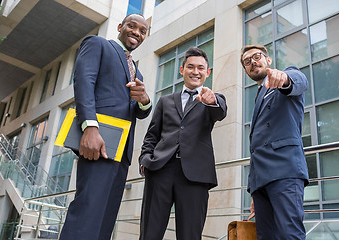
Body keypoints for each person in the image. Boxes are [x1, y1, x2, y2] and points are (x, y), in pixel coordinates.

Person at [59, 14, 152, 240]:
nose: (137, 33)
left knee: (106, 217)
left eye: (142, 31)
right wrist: (90, 127)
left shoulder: (136, 72)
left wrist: (144, 100)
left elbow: (138, 112)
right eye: (132, 26)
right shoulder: (98, 44)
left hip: (121, 152)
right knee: (88, 210)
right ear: (120, 27)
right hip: (98, 141)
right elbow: (84, 82)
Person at [138, 47, 227, 240]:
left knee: (190, 235)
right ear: (182, 70)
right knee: (149, 233)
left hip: (195, 176)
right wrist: (145, 159)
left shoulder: (212, 100)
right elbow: (152, 135)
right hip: (160, 169)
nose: (195, 72)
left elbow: (220, 111)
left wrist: (211, 100)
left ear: (207, 72)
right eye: (191, 67)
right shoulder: (165, 101)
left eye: (201, 68)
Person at [241, 44, 309, 240]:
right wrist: (254, 189)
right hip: (261, 183)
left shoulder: (285, 77)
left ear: (268, 60)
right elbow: (256, 146)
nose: (253, 62)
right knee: (266, 237)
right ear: (246, 70)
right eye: (247, 61)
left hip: (284, 172)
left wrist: (285, 79)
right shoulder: (258, 96)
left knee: (290, 234)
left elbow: (298, 81)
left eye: (257, 56)